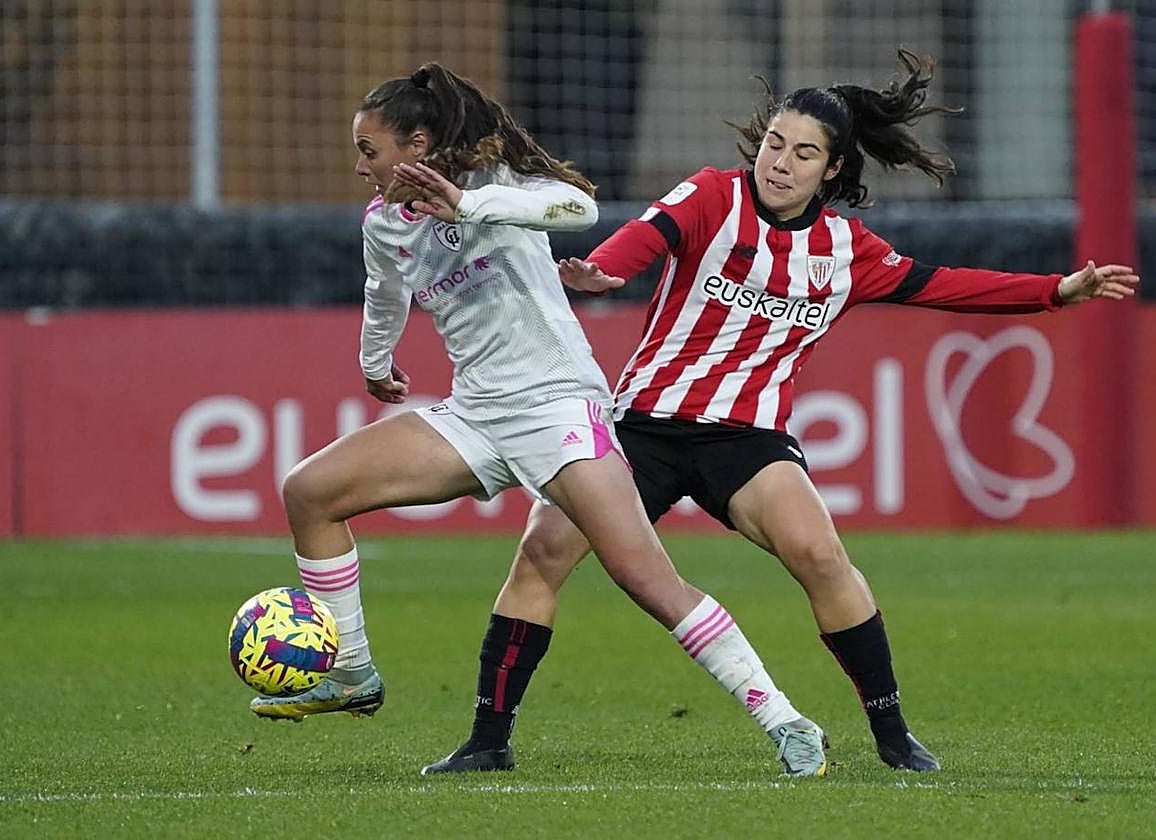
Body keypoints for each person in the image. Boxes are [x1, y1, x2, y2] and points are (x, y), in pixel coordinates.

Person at [429, 49, 1140, 774]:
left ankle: (894, 737)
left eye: (803, 153)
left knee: (822, 556)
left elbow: (943, 284)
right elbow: (644, 239)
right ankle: (488, 742)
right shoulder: (711, 196)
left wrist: (1057, 290)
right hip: (640, 427)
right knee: (544, 553)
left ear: (831, 170)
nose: (781, 162)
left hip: (748, 440)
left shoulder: (845, 249)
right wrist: (604, 270)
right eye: (775, 143)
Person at [249, 62, 829, 779]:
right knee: (310, 491)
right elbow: (385, 290)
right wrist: (376, 360)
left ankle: (785, 720)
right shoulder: (383, 224)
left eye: (370, 150)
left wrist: (468, 206)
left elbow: (578, 210)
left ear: (417, 144)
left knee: (645, 578)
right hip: (476, 413)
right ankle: (353, 674)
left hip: (559, 405)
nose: (361, 166)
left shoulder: (494, 183)